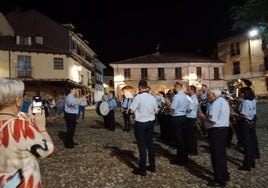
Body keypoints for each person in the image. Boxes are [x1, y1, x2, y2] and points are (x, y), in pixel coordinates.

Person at [0, 78, 56, 187]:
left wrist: (29, 119)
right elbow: (48, 150)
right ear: (18, 100)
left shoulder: (22, 123)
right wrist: (41, 128)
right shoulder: (23, 127)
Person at [199, 88, 230, 187]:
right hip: (223, 130)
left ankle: (219, 179)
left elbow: (213, 120)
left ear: (213, 94)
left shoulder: (216, 103)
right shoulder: (223, 101)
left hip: (216, 131)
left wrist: (202, 117)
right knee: (221, 154)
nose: (207, 97)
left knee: (216, 155)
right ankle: (224, 174)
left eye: (208, 94)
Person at [129, 80, 158, 176]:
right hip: (151, 123)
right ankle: (152, 166)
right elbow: (156, 111)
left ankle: (142, 168)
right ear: (147, 87)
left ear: (140, 88)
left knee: (142, 145)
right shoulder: (152, 98)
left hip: (141, 123)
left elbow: (132, 111)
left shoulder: (138, 97)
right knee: (150, 144)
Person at [236, 87, 257, 171]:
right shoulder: (252, 100)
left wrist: (236, 115)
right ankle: (252, 162)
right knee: (250, 143)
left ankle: (247, 165)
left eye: (241, 92)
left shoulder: (245, 102)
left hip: (245, 124)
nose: (240, 94)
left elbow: (244, 115)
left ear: (245, 93)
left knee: (246, 145)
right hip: (251, 122)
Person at [186, 85, 199, 155]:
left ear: (192, 90)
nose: (188, 91)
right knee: (189, 135)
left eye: (188, 90)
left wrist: (181, 108)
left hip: (191, 118)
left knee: (192, 136)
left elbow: (189, 110)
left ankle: (193, 150)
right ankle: (190, 149)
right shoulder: (190, 98)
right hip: (189, 118)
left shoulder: (194, 99)